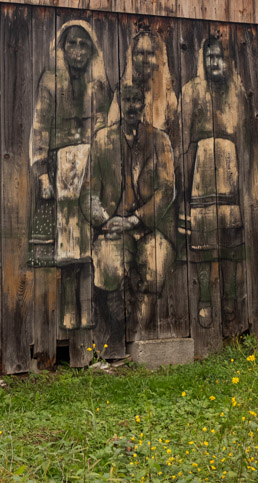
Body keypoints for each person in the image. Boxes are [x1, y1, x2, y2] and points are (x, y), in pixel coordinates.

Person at [28, 20, 111, 329]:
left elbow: (107, 131)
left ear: (92, 50)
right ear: (62, 48)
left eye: (83, 45)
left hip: (92, 166)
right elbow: (39, 129)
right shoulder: (50, 82)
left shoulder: (99, 85)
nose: (77, 51)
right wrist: (42, 176)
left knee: (90, 242)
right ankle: (68, 308)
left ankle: (87, 308)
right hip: (62, 168)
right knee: (67, 244)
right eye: (71, 44)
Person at [84, 83, 176, 331]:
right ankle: (118, 315)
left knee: (156, 267)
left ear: (143, 105)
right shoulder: (102, 140)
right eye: (127, 100)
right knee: (108, 268)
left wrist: (135, 219)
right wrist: (104, 221)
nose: (132, 106)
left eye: (137, 100)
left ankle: (140, 330)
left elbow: (167, 190)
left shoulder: (159, 140)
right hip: (112, 227)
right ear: (119, 104)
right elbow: (88, 193)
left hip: (149, 227)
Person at [178, 34, 247, 326]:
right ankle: (205, 296)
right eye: (208, 57)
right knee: (204, 240)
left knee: (231, 241)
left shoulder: (236, 90)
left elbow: (247, 136)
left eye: (218, 56)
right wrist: (183, 187)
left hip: (230, 169)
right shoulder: (192, 91)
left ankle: (230, 299)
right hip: (202, 170)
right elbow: (182, 140)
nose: (213, 62)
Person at [107, 29, 178, 134]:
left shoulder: (168, 95)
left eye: (150, 53)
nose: (145, 59)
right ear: (132, 57)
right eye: (140, 53)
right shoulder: (121, 93)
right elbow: (111, 131)